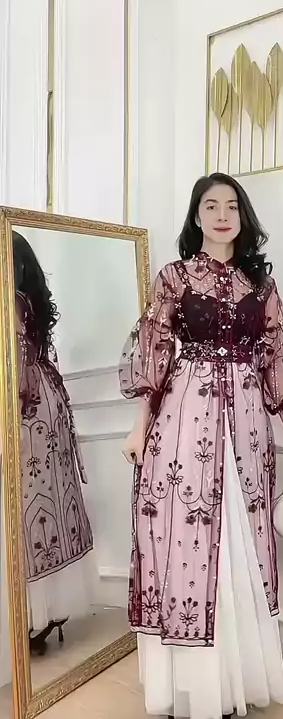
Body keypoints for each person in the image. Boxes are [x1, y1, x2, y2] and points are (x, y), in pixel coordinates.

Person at [119, 172, 283, 719]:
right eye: (211, 205)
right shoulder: (174, 277)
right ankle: (194, 686)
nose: (222, 215)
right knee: (187, 535)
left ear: (242, 217)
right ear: (196, 215)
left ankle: (236, 679)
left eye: (231, 206)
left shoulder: (262, 287)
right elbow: (155, 350)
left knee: (240, 538)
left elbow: (278, 360)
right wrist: (139, 426)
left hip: (247, 423)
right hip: (184, 417)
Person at [12, 232, 94, 653]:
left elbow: (13, 360)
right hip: (47, 402)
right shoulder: (30, 301)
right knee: (47, 501)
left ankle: (32, 617)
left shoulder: (11, 302)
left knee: (27, 507)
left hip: (24, 405)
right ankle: (45, 612)